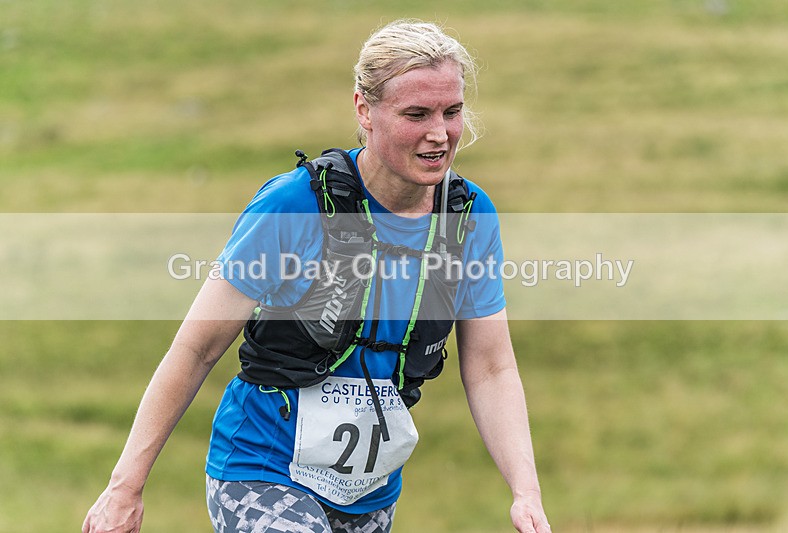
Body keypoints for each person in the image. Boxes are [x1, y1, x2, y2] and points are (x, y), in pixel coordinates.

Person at [83, 19, 551, 533]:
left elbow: (490, 367)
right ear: (364, 110)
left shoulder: (468, 218)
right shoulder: (294, 204)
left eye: (452, 112)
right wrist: (124, 487)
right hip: (260, 470)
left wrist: (525, 492)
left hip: (368, 491)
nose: (439, 134)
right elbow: (196, 347)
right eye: (416, 114)